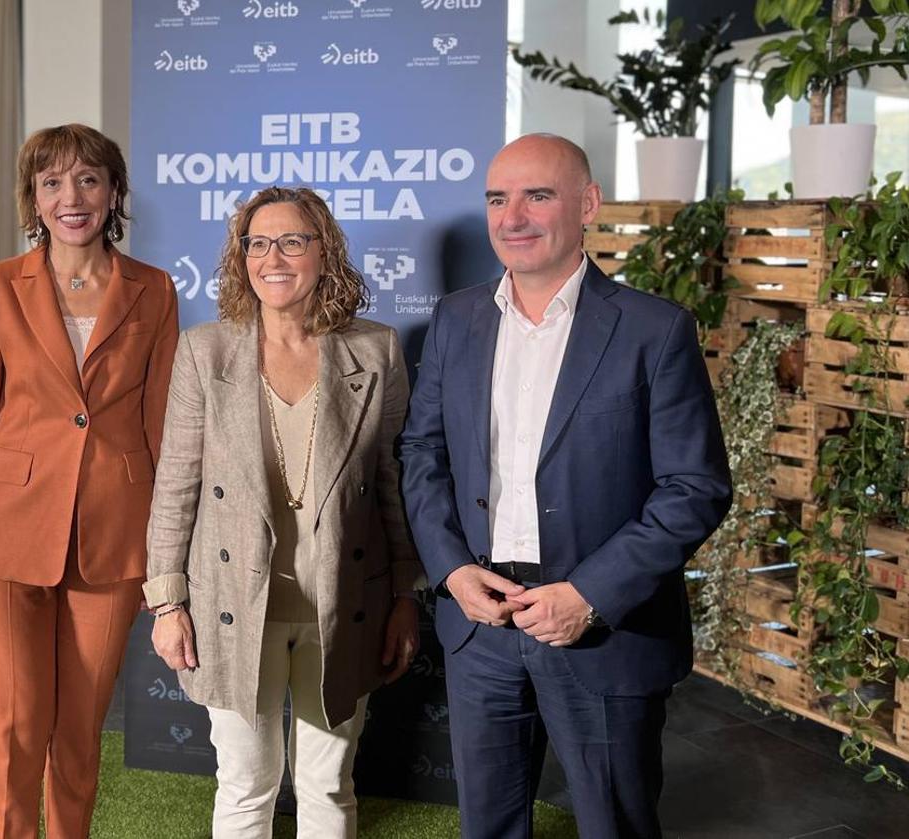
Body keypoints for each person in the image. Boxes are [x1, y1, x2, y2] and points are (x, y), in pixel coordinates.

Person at [399, 133, 731, 839]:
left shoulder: (655, 330)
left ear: (587, 205)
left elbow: (694, 487)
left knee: (617, 824)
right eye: (497, 198)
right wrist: (452, 570)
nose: (512, 216)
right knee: (487, 826)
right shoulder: (456, 320)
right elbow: (423, 451)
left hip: (603, 630)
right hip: (481, 623)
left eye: (537, 195)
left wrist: (589, 595)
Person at [143, 186, 425, 839]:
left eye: (292, 240)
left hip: (344, 603)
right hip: (232, 602)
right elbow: (176, 483)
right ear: (241, 257)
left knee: (329, 785)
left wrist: (406, 595)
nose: (274, 256)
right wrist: (166, 602)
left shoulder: (376, 349)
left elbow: (393, 482)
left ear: (323, 251)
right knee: (245, 785)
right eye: (257, 242)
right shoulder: (204, 351)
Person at [0, 124, 178, 838]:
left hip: (115, 538)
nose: (71, 197)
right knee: (11, 731)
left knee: (77, 736)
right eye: (52, 183)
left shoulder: (154, 290)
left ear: (113, 194)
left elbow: (166, 428)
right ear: (34, 200)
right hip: (8, 540)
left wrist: (167, 560)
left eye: (88, 180)